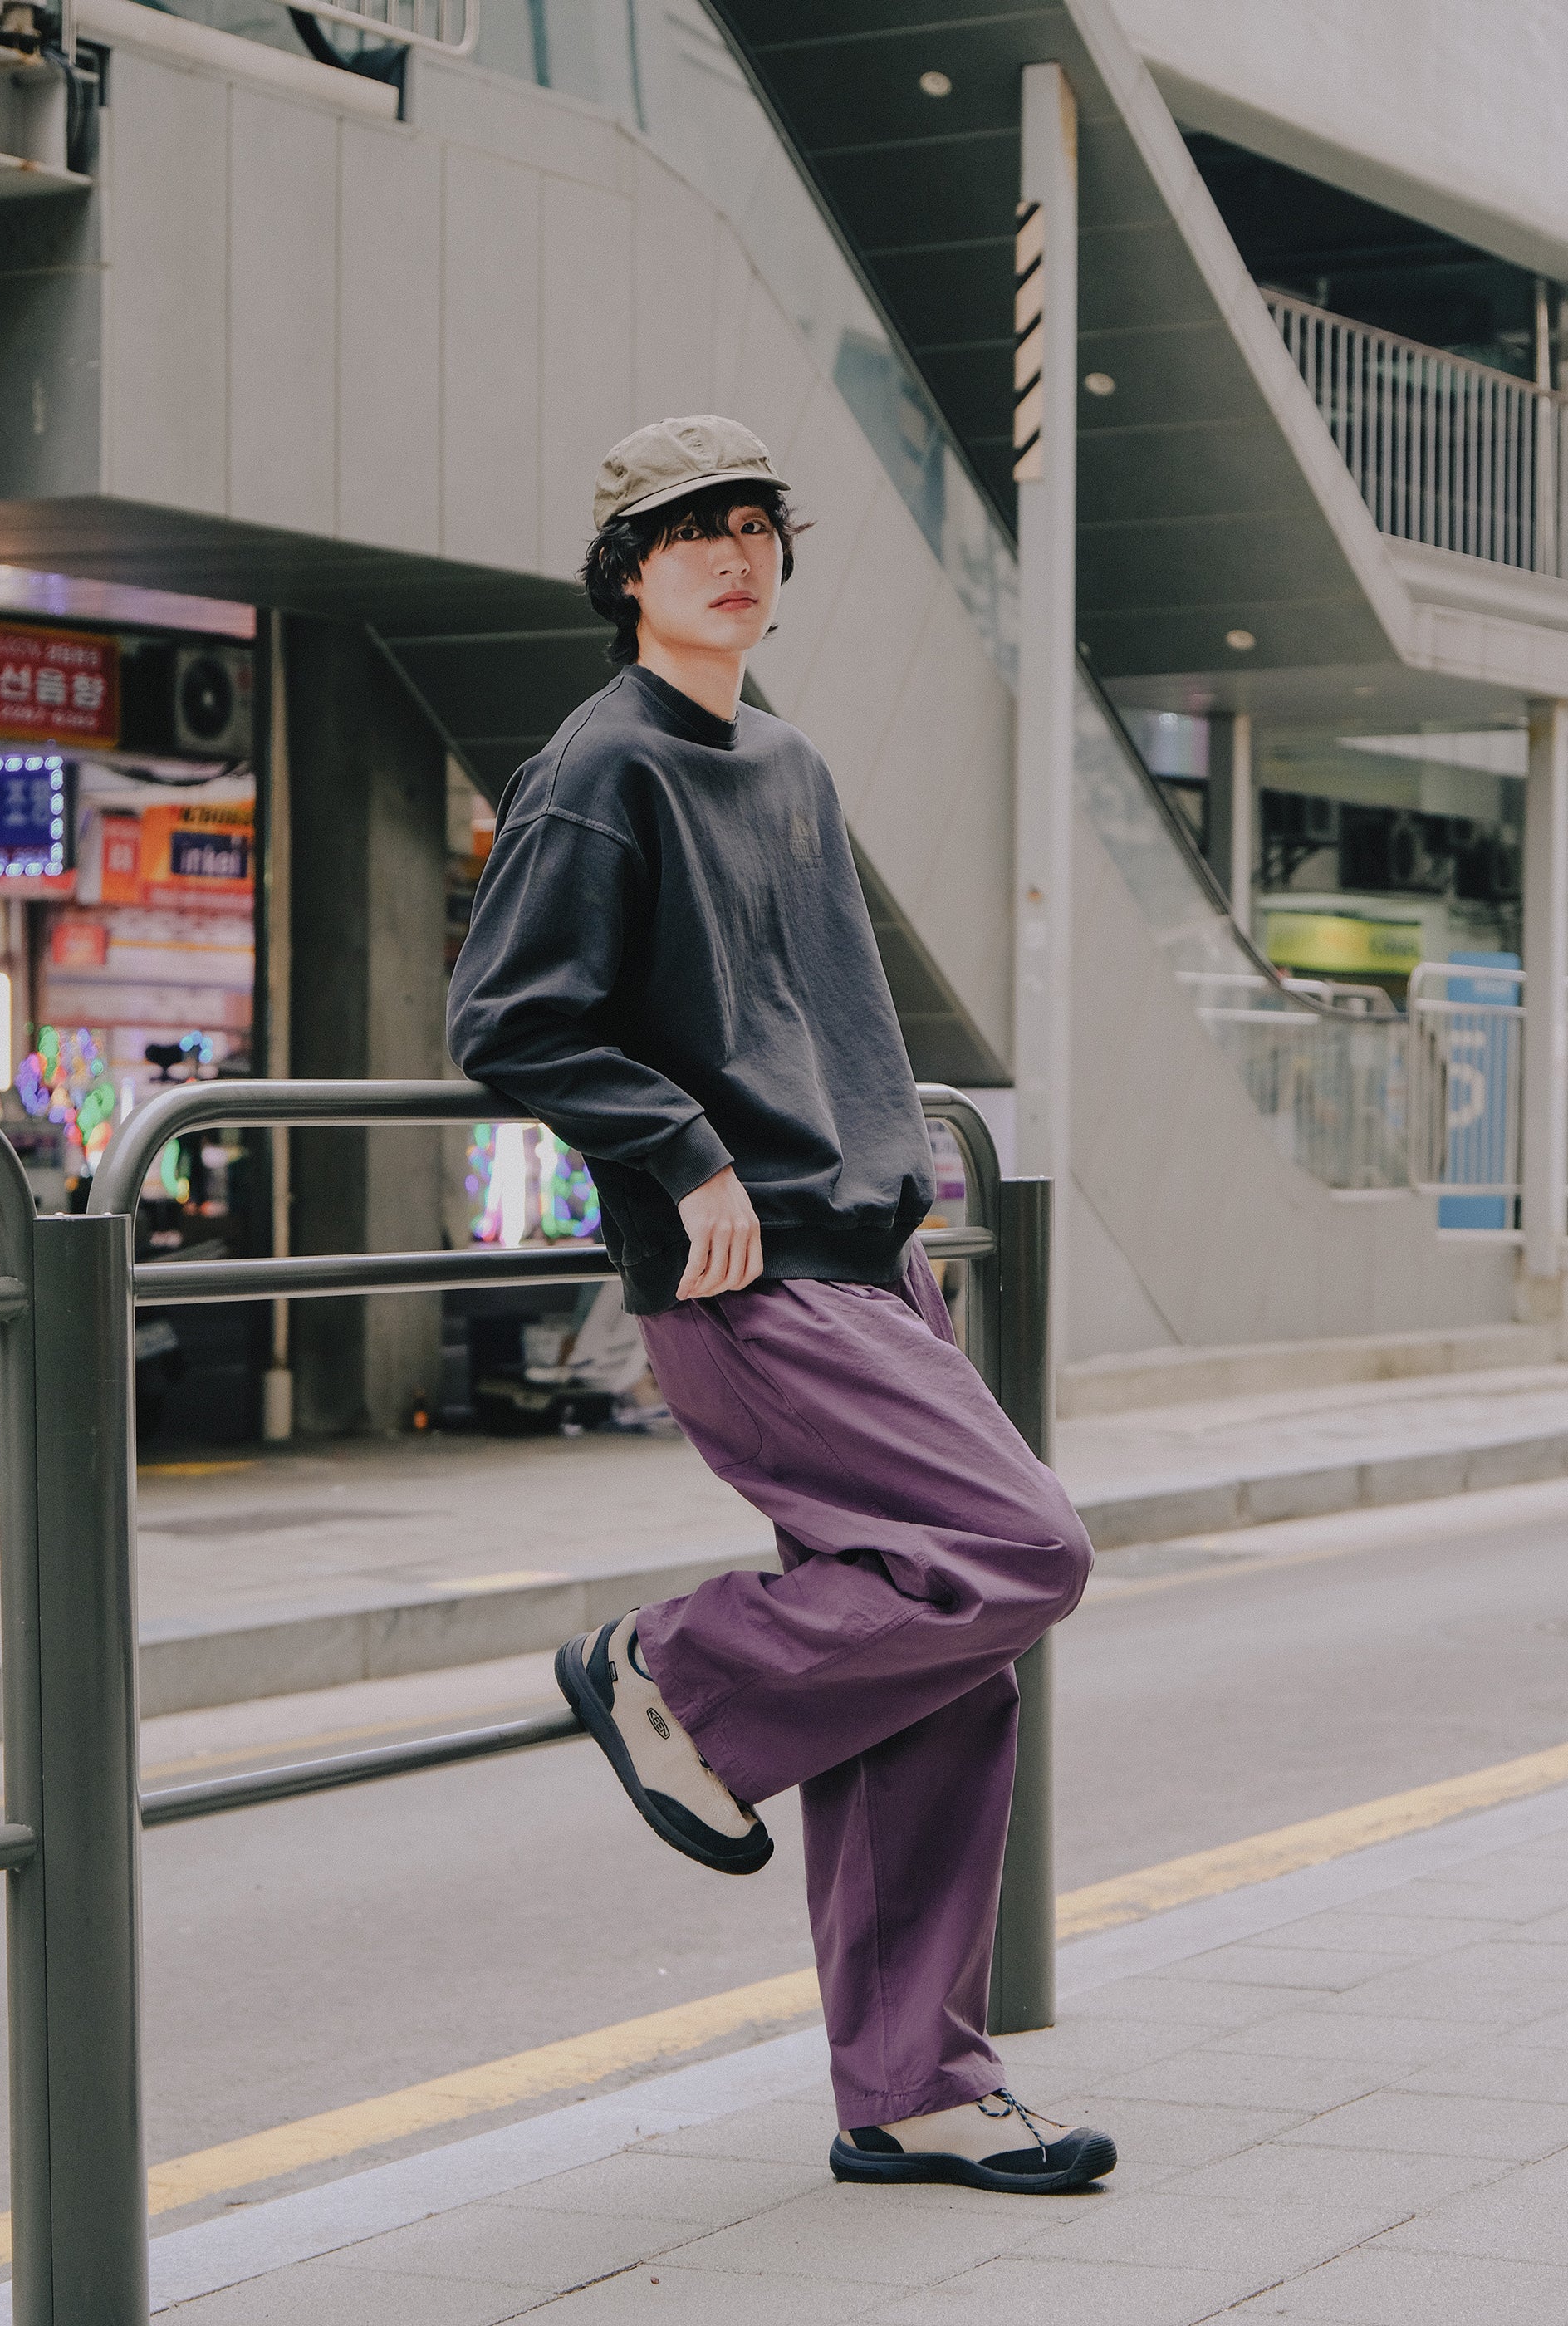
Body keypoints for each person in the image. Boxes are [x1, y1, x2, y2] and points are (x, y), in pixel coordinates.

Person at [447, 415, 1112, 2196]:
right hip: (743, 1275)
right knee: (1022, 1549)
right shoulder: (602, 766)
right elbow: (507, 1014)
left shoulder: (789, 760)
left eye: (755, 524)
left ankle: (913, 2089)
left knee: (947, 1663)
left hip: (863, 1256)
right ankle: (670, 1670)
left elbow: (835, 1024)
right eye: (692, 530)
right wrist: (684, 1155)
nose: (735, 553)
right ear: (627, 571)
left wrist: (900, 1205)